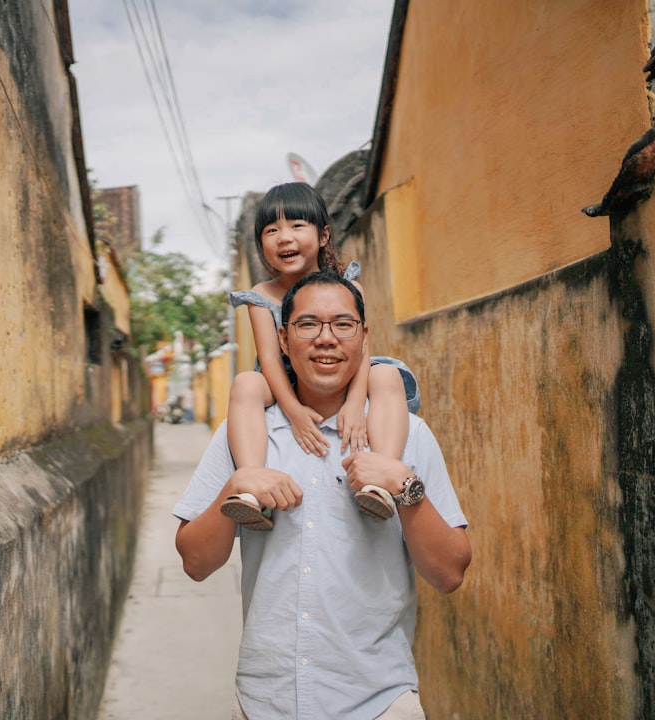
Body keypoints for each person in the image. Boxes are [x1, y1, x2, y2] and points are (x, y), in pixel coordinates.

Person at [173, 271, 471, 719]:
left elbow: (450, 574)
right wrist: (233, 490)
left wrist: (405, 487)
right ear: (283, 338)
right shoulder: (248, 434)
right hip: (265, 703)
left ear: (364, 336)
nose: (326, 339)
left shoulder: (406, 435)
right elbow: (195, 563)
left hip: (378, 703)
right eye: (308, 324)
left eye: (343, 324)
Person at [222, 182, 419, 530]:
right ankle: (253, 491)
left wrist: (356, 404)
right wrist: (295, 412)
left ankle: (380, 483)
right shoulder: (260, 296)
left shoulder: (348, 286)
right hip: (283, 379)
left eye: (297, 226)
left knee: (386, 376)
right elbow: (269, 360)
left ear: (323, 234)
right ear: (261, 245)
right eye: (272, 230)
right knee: (246, 384)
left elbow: (361, 350)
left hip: (340, 371)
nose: (284, 237)